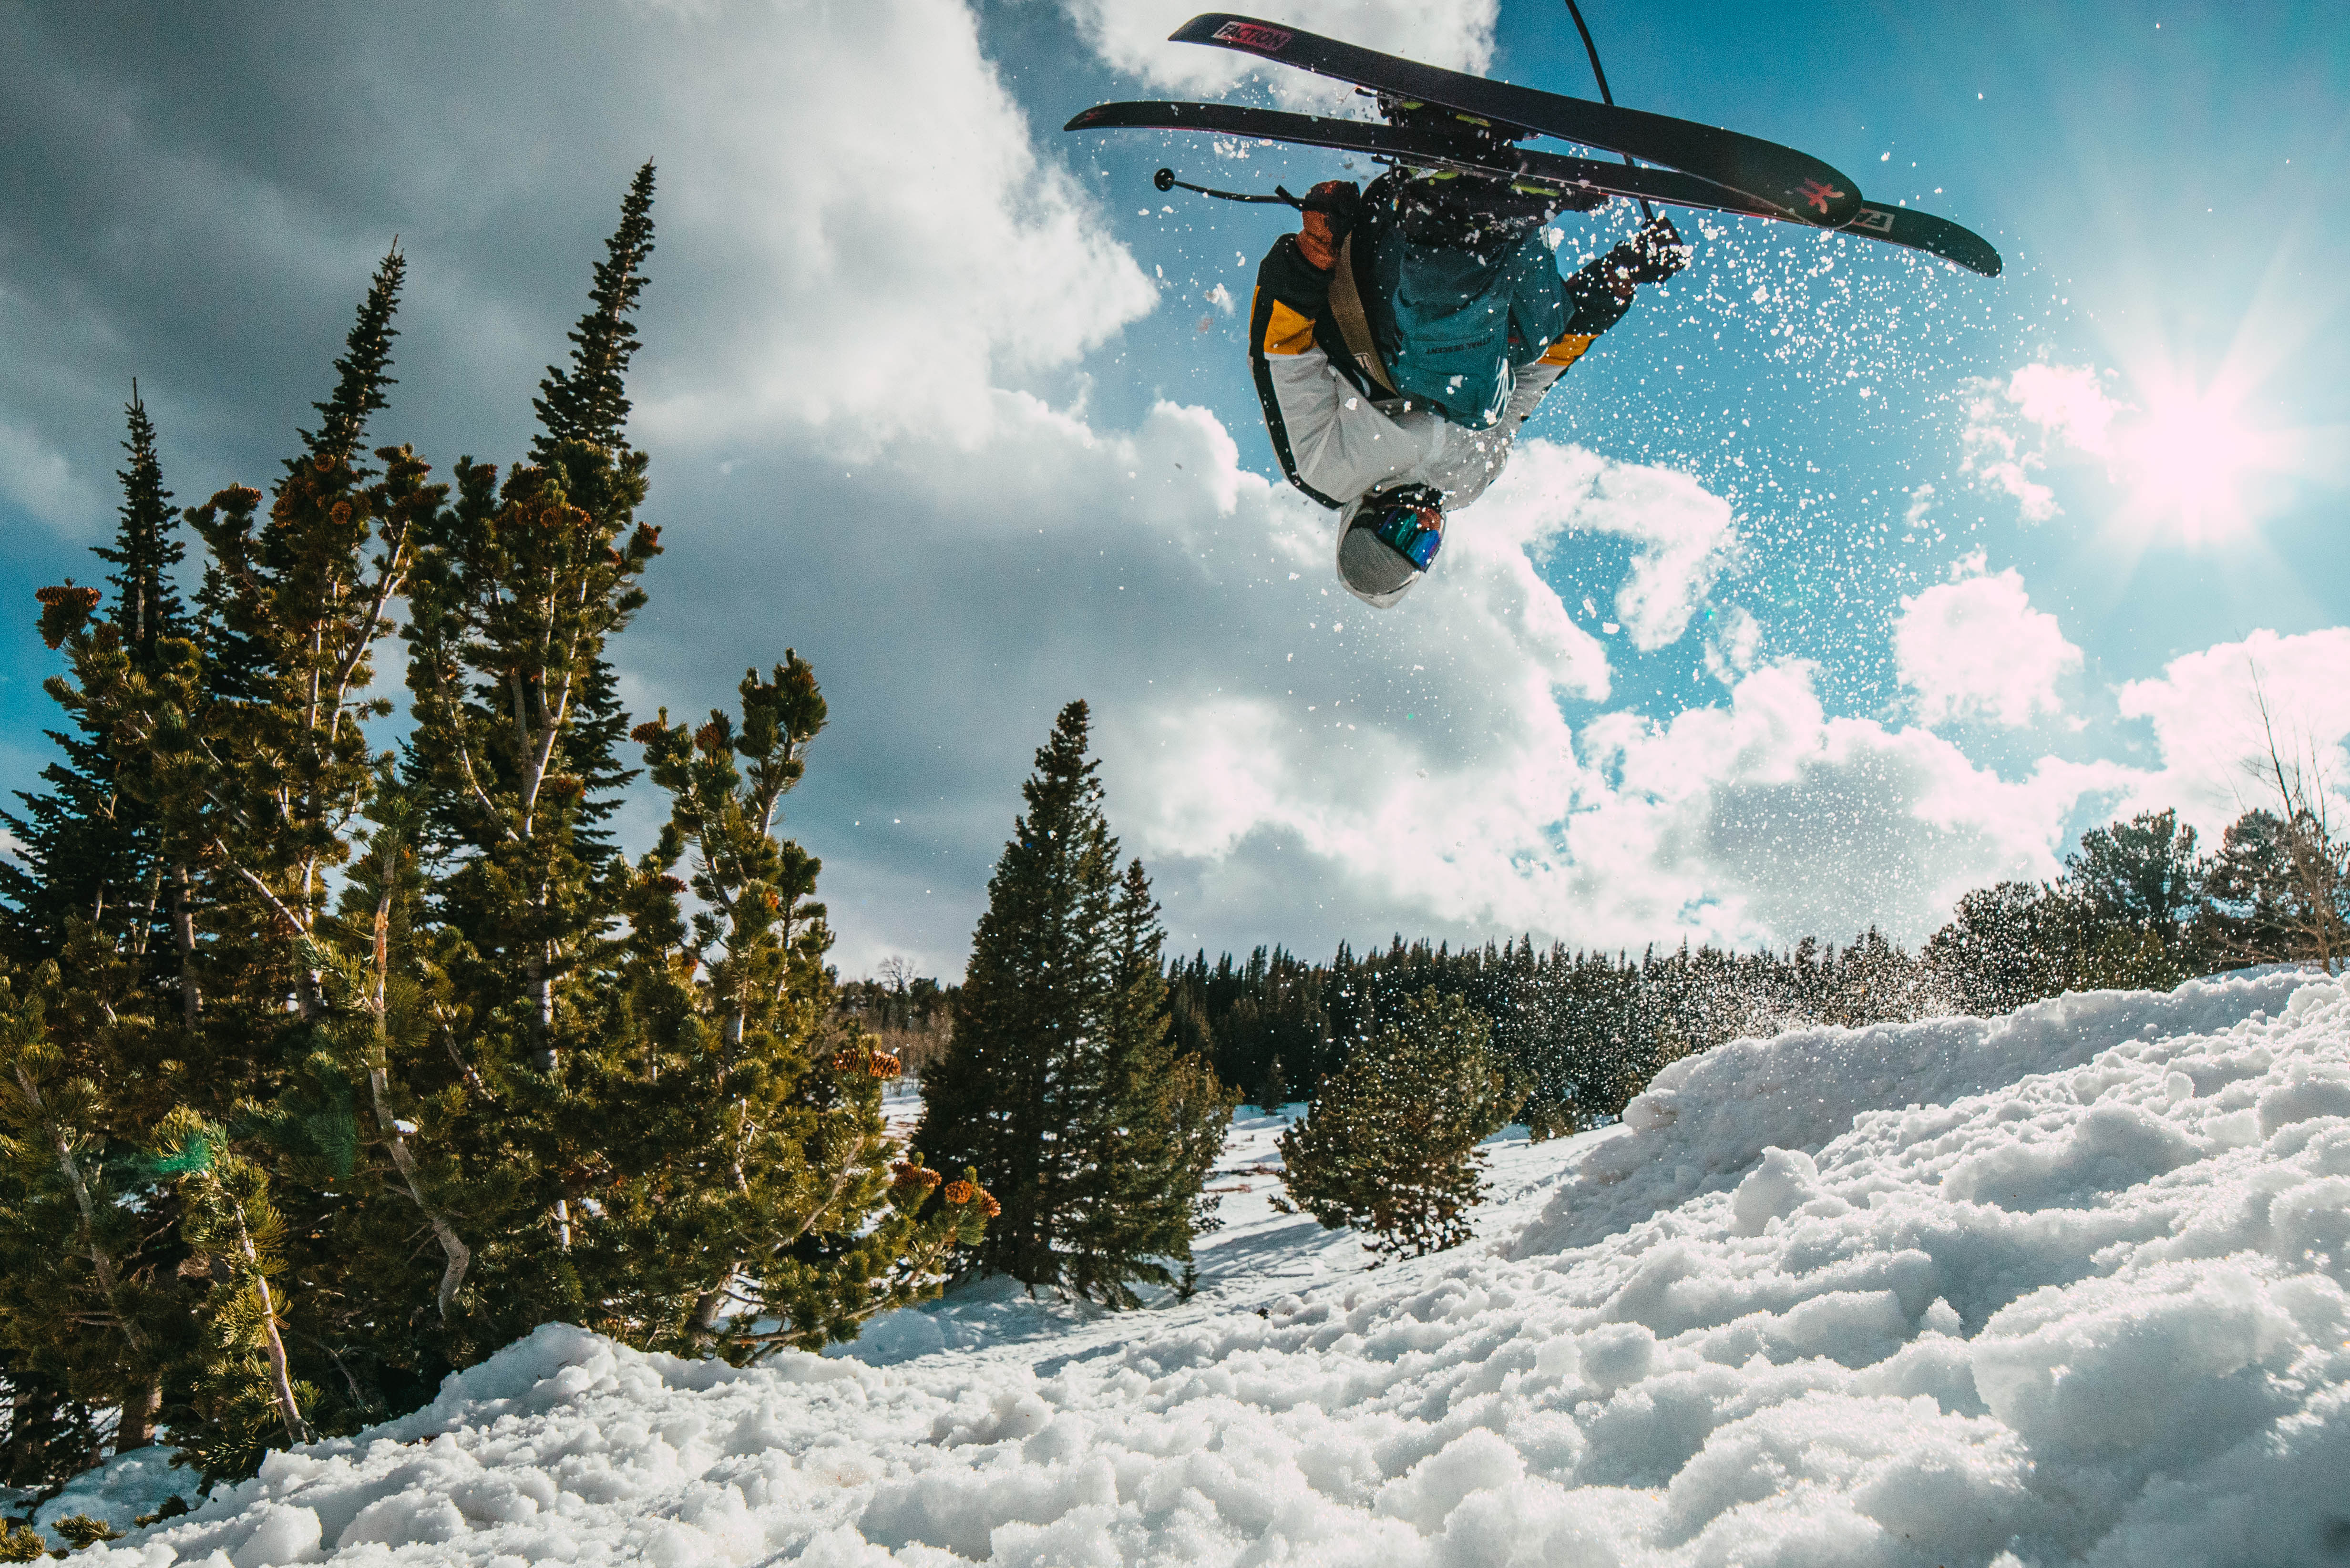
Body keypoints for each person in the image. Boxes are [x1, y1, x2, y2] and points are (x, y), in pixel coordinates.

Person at [1247, 167, 1689, 607]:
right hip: (1468, 297)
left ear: (1365, 518)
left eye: (1403, 532)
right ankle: (1493, 184)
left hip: (1378, 280)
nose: (1425, 522)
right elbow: (1534, 381)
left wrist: (1314, 254)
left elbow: (1280, 351)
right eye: (1425, 546)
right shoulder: (1468, 481)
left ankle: (1455, 218)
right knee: (1532, 339)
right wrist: (1623, 276)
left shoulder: (1329, 470)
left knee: (1472, 399)